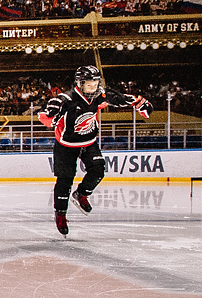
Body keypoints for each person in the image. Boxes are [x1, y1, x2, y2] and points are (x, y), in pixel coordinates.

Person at [39, 65, 153, 236]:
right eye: (89, 85)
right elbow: (48, 116)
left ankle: (82, 194)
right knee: (64, 181)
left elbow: (120, 98)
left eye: (95, 84)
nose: (93, 88)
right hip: (66, 145)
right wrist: (50, 115)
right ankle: (61, 214)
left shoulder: (100, 96)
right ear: (80, 83)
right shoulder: (67, 99)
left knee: (98, 171)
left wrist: (140, 102)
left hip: (88, 141)